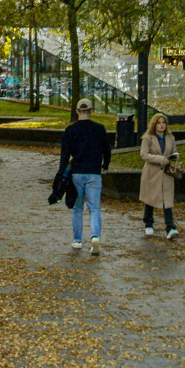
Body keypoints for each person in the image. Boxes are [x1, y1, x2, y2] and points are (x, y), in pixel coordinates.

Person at [56, 97, 112, 255]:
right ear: (91, 111)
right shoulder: (99, 129)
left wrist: (61, 173)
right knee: (94, 208)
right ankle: (95, 237)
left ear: (77, 111)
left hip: (76, 173)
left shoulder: (70, 130)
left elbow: (64, 156)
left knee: (77, 208)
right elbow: (107, 150)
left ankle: (77, 240)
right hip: (94, 172)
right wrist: (105, 165)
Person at [139, 112, 180, 239]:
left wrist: (174, 157)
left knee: (167, 200)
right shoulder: (148, 138)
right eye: (159, 123)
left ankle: (170, 227)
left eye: (163, 123)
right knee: (150, 198)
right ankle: (148, 223)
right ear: (154, 124)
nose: (161, 125)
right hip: (152, 173)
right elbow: (144, 154)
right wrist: (159, 159)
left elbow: (174, 151)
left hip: (166, 173)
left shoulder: (170, 138)